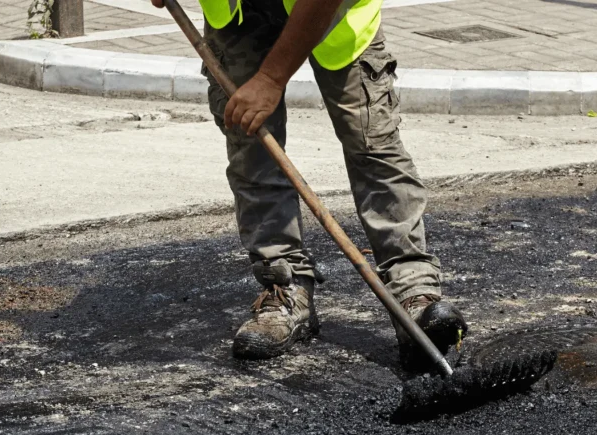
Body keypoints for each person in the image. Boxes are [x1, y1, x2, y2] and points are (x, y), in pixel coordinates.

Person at [152, 0, 468, 368]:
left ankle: (413, 291)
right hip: (236, 13)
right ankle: (283, 286)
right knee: (251, 143)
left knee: (373, 144)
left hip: (334, 14)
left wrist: (271, 79)